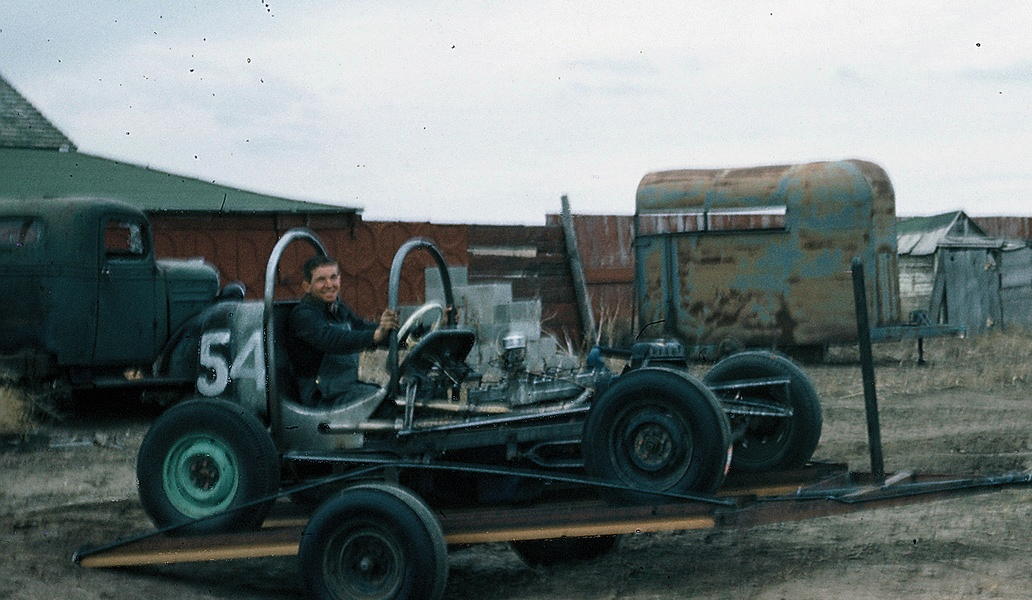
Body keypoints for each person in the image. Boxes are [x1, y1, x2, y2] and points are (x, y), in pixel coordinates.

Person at [286, 255, 399, 406]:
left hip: (343, 388)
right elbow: (333, 339)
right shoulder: (304, 315)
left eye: (333, 277)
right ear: (307, 286)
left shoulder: (338, 309)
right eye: (321, 280)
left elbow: (362, 328)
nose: (329, 284)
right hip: (319, 396)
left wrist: (403, 333)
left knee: (397, 394)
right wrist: (375, 335)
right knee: (385, 405)